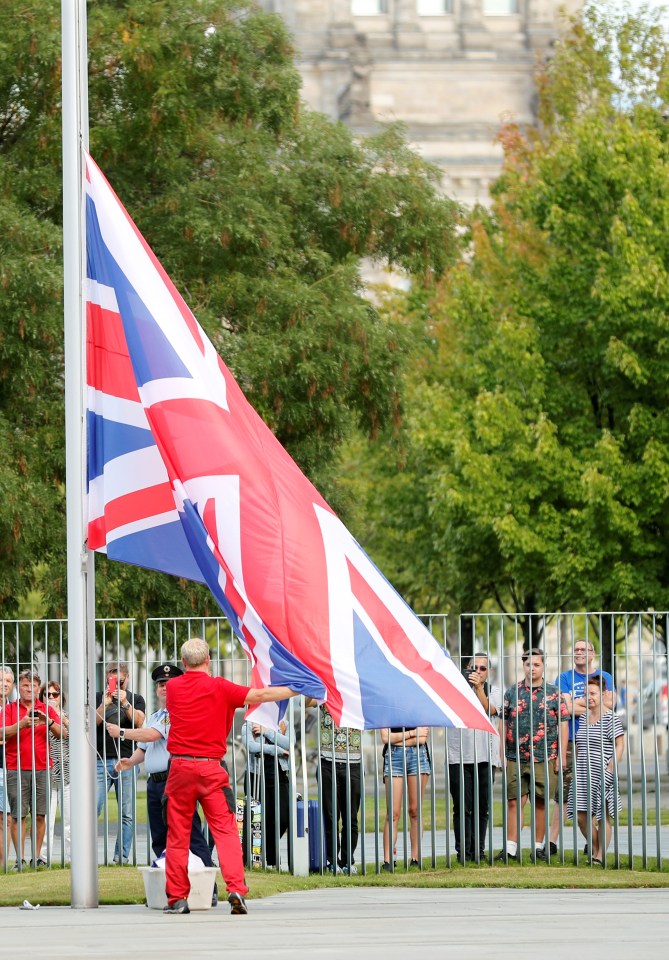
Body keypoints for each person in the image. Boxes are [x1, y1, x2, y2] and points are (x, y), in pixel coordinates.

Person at [163, 637, 300, 916]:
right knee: (225, 832)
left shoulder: (173, 687)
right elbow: (259, 696)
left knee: (178, 835)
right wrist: (296, 688)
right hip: (212, 767)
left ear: (183, 663)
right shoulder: (220, 687)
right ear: (209, 660)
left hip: (179, 768)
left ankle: (177, 898)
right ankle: (236, 888)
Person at [107, 662, 218, 904]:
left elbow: (153, 735)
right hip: (156, 783)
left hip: (175, 780)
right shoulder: (157, 715)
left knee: (190, 835)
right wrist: (129, 762)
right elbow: (145, 748)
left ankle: (209, 887)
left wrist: (122, 733)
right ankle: (171, 886)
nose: (164, 688)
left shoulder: (179, 713)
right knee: (160, 837)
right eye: (160, 684)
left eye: (169, 683)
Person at [497, 649, 569, 863]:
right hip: (515, 756)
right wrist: (502, 753)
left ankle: (538, 846)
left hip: (546, 755)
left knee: (540, 801)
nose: (532, 668)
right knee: (514, 801)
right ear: (523, 666)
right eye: (528, 664)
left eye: (536, 664)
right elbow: (503, 722)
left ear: (543, 666)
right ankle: (511, 848)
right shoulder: (512, 692)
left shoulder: (554, 693)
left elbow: (563, 724)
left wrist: (561, 756)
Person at [548, 639, 615, 856]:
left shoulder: (605, 677)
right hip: (571, 740)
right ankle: (551, 842)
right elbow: (565, 707)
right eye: (575, 649)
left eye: (583, 649)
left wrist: (580, 703)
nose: (578, 652)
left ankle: (593, 842)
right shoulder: (564, 678)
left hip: (598, 742)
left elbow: (609, 705)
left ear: (593, 653)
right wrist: (593, 702)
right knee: (565, 793)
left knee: (596, 791)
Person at [0, 670, 64, 869]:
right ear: (19, 687)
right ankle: (19, 860)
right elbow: (1, 732)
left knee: (40, 815)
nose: (29, 688)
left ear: (39, 688)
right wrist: (21, 724)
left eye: (33, 685)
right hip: (15, 768)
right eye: (26, 685)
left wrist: (48, 721)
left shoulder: (45, 709)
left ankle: (36, 858)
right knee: (19, 816)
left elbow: (63, 733)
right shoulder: (10, 709)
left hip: (43, 768)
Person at [447, 653, 501, 863]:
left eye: (483, 669)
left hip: (485, 756)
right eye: (474, 668)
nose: (478, 672)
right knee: (461, 806)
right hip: (459, 756)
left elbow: (489, 709)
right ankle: (463, 853)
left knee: (482, 807)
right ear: (467, 668)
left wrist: (478, 688)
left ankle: (478, 851)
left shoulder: (494, 691)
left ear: (489, 672)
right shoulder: (455, 690)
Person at [568, 674, 624, 864]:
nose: (589, 697)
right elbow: (579, 743)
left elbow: (620, 744)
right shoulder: (583, 718)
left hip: (602, 771)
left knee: (602, 814)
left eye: (593, 693)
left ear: (602, 694)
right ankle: (596, 848)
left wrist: (611, 767)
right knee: (581, 816)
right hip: (583, 772)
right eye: (586, 693)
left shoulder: (610, 718)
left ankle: (600, 856)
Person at [95, 661, 146, 864]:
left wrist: (125, 703)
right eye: (111, 676)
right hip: (100, 760)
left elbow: (140, 722)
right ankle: (89, 856)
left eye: (119, 677)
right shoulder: (99, 697)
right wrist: (104, 704)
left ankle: (121, 857)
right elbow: (90, 721)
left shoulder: (136, 699)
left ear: (126, 678)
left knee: (127, 812)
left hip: (127, 760)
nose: (115, 681)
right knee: (94, 808)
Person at [316, 702, 362, 875]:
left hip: (353, 760)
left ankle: (347, 861)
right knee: (330, 815)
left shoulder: (355, 692)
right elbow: (307, 702)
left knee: (351, 817)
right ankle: (332, 860)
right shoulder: (326, 688)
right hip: (328, 760)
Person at [241, 717, 290, 868]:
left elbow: (290, 744)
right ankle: (264, 860)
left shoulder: (283, 723)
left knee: (282, 818)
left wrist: (267, 732)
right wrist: (277, 750)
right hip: (256, 775)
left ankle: (269, 854)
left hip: (279, 774)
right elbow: (251, 746)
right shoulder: (249, 723)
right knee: (260, 819)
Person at [380, 726, 431, 870]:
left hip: (418, 755)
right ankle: (388, 861)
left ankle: (415, 858)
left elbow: (422, 739)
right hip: (393, 756)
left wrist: (396, 739)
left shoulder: (419, 706)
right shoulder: (388, 706)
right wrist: (413, 734)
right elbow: (385, 738)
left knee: (415, 810)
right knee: (393, 813)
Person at [39, 681, 70, 863]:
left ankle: (70, 858)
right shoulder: (37, 718)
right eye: (47, 694)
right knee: (46, 820)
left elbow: (79, 737)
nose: (51, 697)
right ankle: (43, 857)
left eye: (55, 694)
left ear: (60, 697)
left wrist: (63, 720)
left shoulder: (67, 717)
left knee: (68, 822)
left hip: (67, 774)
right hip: (47, 774)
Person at [1, 667, 15, 869]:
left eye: (8, 681)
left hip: (8, 767)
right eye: (0, 679)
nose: (4, 684)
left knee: (7, 818)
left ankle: (3, 864)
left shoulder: (13, 709)